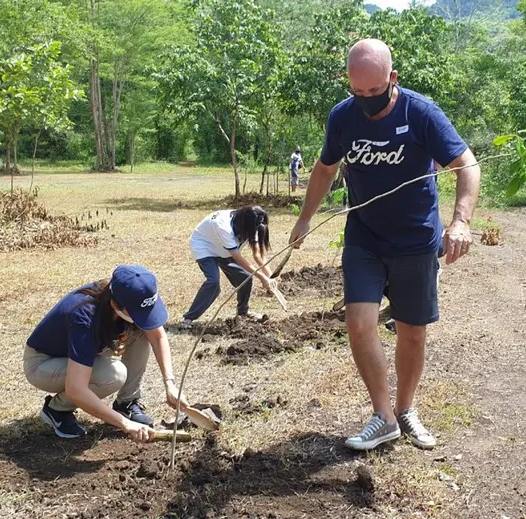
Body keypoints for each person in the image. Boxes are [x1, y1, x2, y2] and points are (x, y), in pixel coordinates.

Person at [289, 39, 480, 451]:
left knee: (412, 332)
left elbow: (468, 164)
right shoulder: (343, 117)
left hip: (415, 241)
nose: (366, 102)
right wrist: (305, 218)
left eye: (374, 93)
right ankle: (384, 416)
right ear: (349, 84)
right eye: (358, 93)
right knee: (359, 325)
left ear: (392, 78)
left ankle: (407, 409)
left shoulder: (421, 113)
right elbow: (325, 169)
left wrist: (461, 221)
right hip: (365, 238)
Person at [24, 265, 188, 441]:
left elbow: (157, 336)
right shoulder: (85, 316)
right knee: (113, 375)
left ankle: (126, 402)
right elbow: (76, 389)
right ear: (115, 304)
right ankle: (57, 409)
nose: (144, 314)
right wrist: (126, 424)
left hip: (83, 352)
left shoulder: (134, 293)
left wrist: (170, 384)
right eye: (137, 312)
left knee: (142, 330)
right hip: (44, 363)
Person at [182, 205, 277, 325]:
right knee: (213, 282)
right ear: (244, 226)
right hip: (205, 246)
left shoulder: (254, 223)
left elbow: (258, 255)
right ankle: (188, 318)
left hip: (224, 249)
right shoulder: (223, 226)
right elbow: (238, 257)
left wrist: (270, 278)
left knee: (246, 277)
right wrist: (263, 278)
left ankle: (243, 313)